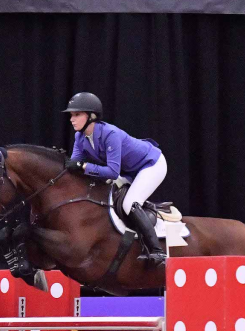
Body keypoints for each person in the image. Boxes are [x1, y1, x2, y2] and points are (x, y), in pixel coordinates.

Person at [63, 92, 168, 266]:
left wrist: (83, 167)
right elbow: (75, 164)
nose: (71, 119)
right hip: (128, 171)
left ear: (91, 116)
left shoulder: (110, 133)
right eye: (71, 115)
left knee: (129, 203)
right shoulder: (80, 137)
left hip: (151, 164)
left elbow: (111, 172)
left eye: (77, 114)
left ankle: (156, 251)